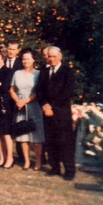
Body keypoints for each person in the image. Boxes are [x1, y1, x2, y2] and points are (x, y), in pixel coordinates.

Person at [37, 47, 76, 180]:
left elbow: (67, 93)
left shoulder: (67, 72)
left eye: (54, 56)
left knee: (65, 143)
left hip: (61, 114)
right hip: (47, 113)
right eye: (49, 57)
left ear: (60, 57)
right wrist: (44, 105)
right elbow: (39, 91)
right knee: (50, 142)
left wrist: (52, 107)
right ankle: (55, 168)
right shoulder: (44, 72)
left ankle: (69, 171)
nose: (51, 59)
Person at [10, 48, 46, 171]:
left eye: (28, 59)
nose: (25, 61)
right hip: (20, 107)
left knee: (36, 137)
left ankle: (38, 161)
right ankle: (26, 161)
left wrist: (26, 101)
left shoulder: (38, 74)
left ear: (33, 60)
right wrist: (18, 101)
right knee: (23, 136)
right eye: (24, 59)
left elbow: (39, 92)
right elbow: (12, 90)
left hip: (34, 106)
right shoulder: (17, 73)